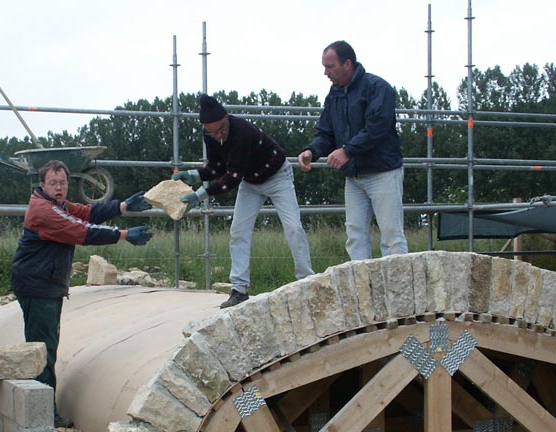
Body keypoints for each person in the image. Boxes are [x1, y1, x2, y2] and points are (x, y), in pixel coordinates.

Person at [10, 159, 153, 428]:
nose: (59, 187)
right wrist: (123, 235)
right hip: (37, 285)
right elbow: (80, 231)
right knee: (43, 348)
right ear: (42, 185)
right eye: (53, 183)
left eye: (62, 182)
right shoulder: (45, 211)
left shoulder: (57, 205)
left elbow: (86, 212)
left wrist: (121, 206)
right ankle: (43, 414)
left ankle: (41, 408)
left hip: (44, 283)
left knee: (44, 345)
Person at [175, 94, 314, 309]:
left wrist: (199, 195)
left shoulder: (242, 132)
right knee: (238, 231)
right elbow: (216, 168)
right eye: (213, 132)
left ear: (227, 118)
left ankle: (307, 281)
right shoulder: (210, 135)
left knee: (293, 227)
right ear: (206, 128)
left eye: (222, 128)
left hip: (277, 175)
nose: (219, 135)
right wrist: (194, 175)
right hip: (250, 181)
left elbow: (231, 177)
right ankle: (239, 289)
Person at [297, 40, 409, 261]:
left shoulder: (378, 88)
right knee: (355, 236)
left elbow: (377, 127)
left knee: (392, 237)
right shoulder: (334, 94)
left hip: (383, 173)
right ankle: (361, 291)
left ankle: (398, 293)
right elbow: (326, 131)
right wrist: (312, 151)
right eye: (324, 66)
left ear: (347, 63)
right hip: (354, 176)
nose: (325, 72)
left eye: (330, 67)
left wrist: (347, 150)